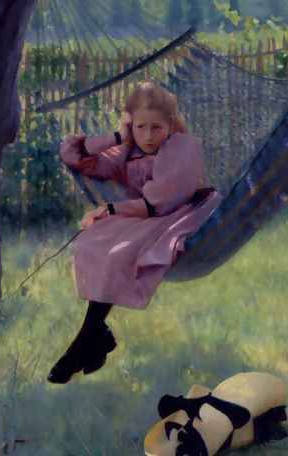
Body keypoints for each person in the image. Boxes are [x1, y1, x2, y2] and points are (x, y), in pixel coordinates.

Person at [47, 80, 223, 384]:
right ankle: (96, 336)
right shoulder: (128, 149)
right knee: (89, 245)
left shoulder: (181, 147)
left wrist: (112, 210)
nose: (148, 136)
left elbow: (161, 201)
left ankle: (82, 344)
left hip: (181, 214)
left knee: (118, 254)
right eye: (140, 127)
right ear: (131, 124)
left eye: (156, 128)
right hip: (145, 216)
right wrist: (119, 136)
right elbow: (74, 155)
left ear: (170, 124)